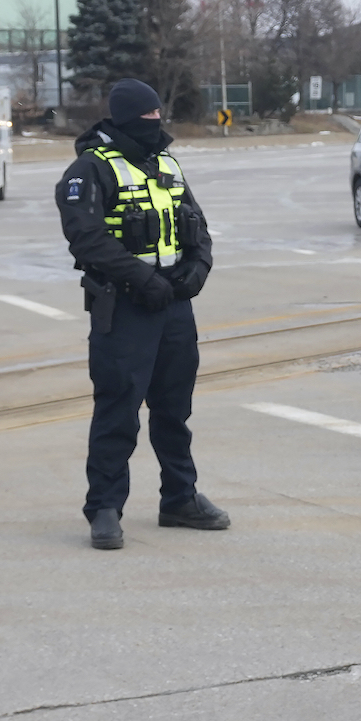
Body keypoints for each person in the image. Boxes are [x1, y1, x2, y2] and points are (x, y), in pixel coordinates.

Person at [55, 79, 227, 549]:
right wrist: (140, 279)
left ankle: (180, 497)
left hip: (173, 305)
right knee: (118, 409)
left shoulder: (165, 163)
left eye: (158, 117)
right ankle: (105, 508)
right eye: (147, 119)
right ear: (125, 119)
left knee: (174, 409)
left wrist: (198, 266)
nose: (156, 125)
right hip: (125, 308)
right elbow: (87, 237)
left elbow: (197, 224)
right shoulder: (89, 170)